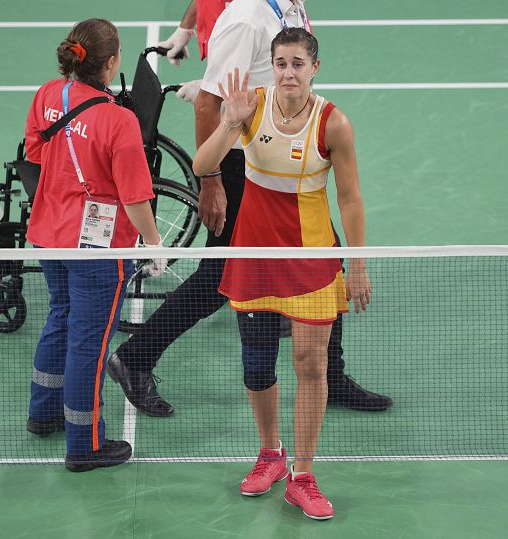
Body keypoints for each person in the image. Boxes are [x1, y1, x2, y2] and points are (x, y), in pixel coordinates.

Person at [107, 0, 392, 418]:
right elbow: (209, 104)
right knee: (219, 275)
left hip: (285, 160)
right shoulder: (246, 19)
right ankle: (134, 358)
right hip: (245, 165)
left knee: (323, 254)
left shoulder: (288, 7)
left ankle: (331, 375)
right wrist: (211, 182)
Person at [192, 27, 363, 520]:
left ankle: (303, 475)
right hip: (255, 257)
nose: (289, 72)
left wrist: (359, 264)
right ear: (274, 66)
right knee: (257, 366)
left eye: (298, 63)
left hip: (312, 262)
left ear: (314, 68)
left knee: (311, 365)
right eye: (281, 63)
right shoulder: (251, 108)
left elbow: (350, 200)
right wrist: (229, 124)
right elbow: (205, 165)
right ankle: (270, 453)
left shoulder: (334, 124)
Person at [23, 18, 165, 473]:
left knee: (60, 316)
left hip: (48, 233)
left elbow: (34, 154)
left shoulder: (49, 94)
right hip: (96, 251)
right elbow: (135, 196)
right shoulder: (119, 120)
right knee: (90, 341)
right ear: (112, 63)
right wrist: (154, 242)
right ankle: (84, 444)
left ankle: (43, 414)